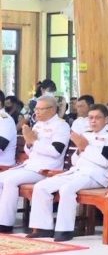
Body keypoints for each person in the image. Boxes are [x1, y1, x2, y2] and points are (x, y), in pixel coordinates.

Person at [26, 104, 108, 241]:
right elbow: (74, 161)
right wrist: (80, 150)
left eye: (98, 118)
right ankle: (42, 228)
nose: (93, 121)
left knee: (66, 189)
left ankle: (64, 230)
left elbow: (105, 161)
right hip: (77, 172)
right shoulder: (86, 134)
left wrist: (85, 148)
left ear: (106, 119)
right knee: (41, 186)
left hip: (96, 176)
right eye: (91, 118)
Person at [0, 96, 71, 233]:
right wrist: (28, 143)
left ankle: (5, 223)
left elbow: (56, 152)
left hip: (47, 169)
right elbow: (29, 151)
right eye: (36, 109)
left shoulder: (61, 126)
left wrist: (34, 142)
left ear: (52, 109)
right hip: (31, 166)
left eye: (40, 109)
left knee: (10, 181)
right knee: (1, 178)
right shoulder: (38, 125)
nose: (36, 112)